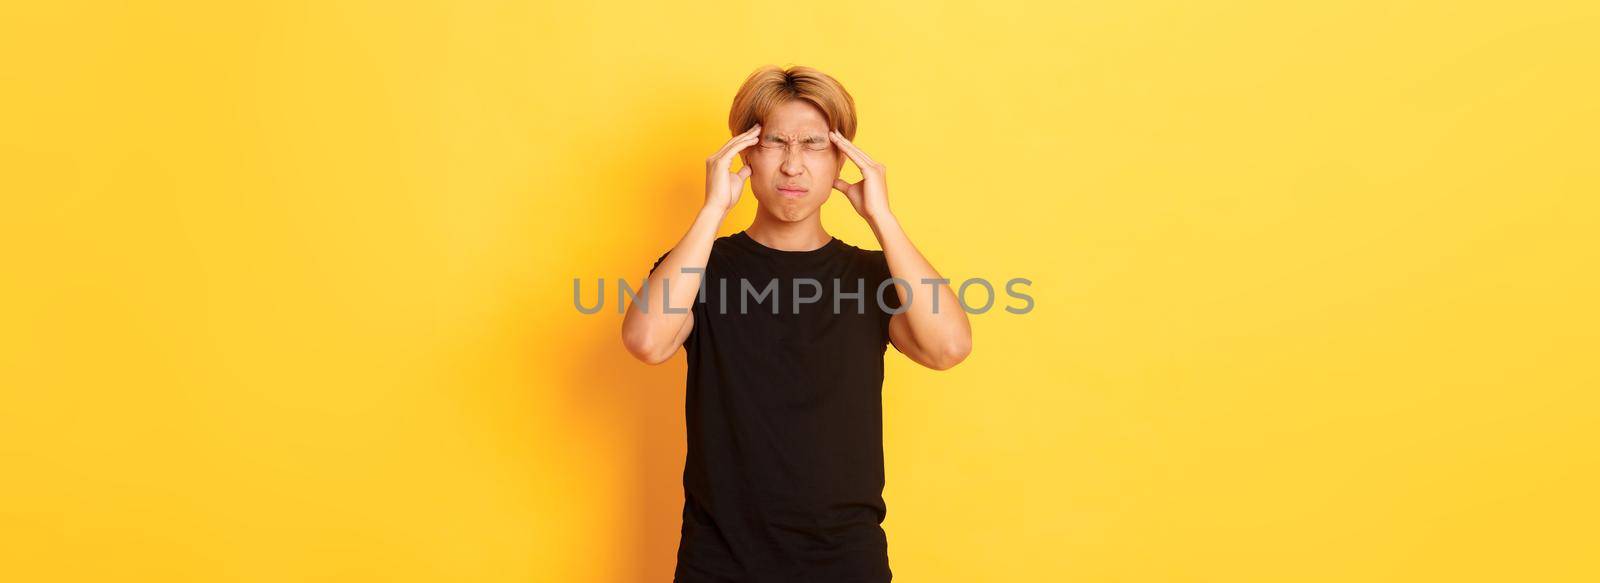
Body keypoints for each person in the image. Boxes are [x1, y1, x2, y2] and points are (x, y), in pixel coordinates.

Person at [621, 64, 972, 583]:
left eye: (813, 145)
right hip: (719, 560)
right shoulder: (700, 267)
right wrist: (713, 209)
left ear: (841, 159)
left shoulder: (873, 274)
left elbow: (948, 348)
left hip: (845, 560)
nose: (792, 166)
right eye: (774, 143)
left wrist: (883, 219)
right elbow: (647, 343)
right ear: (744, 153)